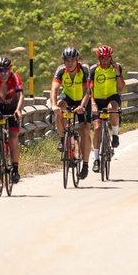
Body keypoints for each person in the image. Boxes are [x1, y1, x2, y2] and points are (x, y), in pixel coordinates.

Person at [51, 46, 93, 179]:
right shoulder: (61, 70)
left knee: (85, 131)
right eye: (67, 60)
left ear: (77, 60)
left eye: (72, 60)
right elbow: (54, 89)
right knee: (59, 108)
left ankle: (85, 165)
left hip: (83, 99)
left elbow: (87, 92)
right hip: (68, 97)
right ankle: (63, 140)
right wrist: (53, 105)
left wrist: (82, 106)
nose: (70, 63)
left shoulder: (85, 69)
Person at [89, 45, 124, 173]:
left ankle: (115, 135)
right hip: (97, 99)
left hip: (112, 97)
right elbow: (89, 89)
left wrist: (118, 74)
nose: (106, 61)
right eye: (103, 58)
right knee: (97, 128)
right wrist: (93, 103)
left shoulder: (116, 67)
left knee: (112, 109)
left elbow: (121, 87)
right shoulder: (93, 70)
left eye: (108, 58)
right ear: (99, 58)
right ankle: (96, 159)